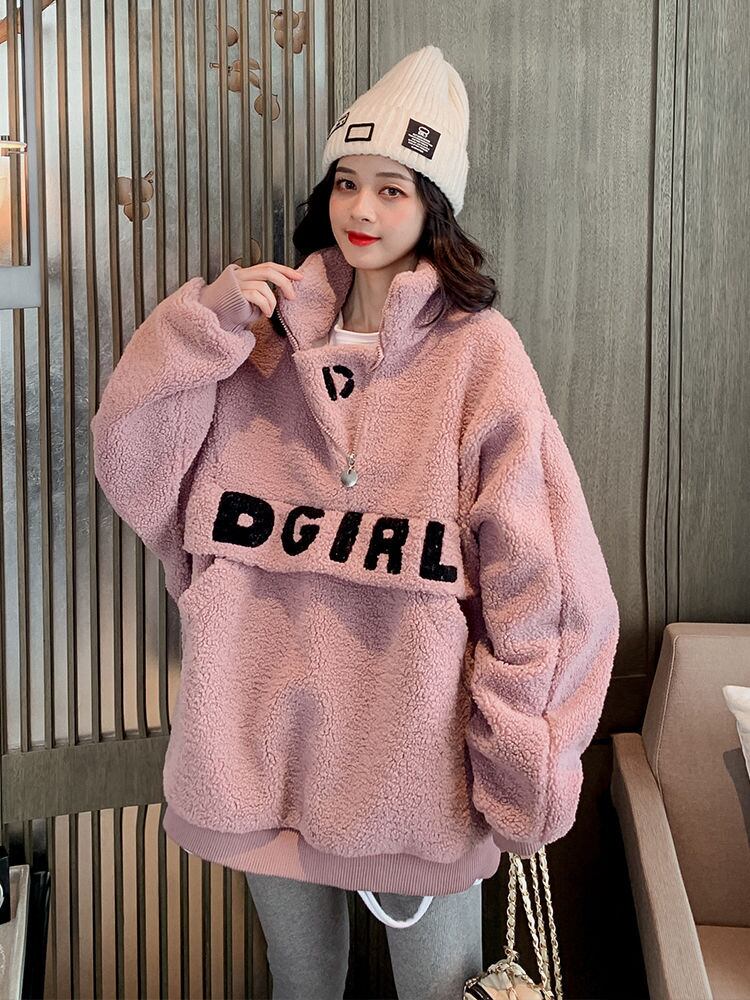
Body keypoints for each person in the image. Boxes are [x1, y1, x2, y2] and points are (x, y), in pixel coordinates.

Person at [90, 45, 619, 1000]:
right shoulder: (257, 342)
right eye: (346, 182)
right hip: (255, 753)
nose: (361, 209)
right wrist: (203, 327)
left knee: (440, 987)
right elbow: (133, 463)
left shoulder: (479, 357)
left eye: (392, 188)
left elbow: (547, 576)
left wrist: (518, 762)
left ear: (433, 207)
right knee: (299, 984)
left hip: (414, 777)